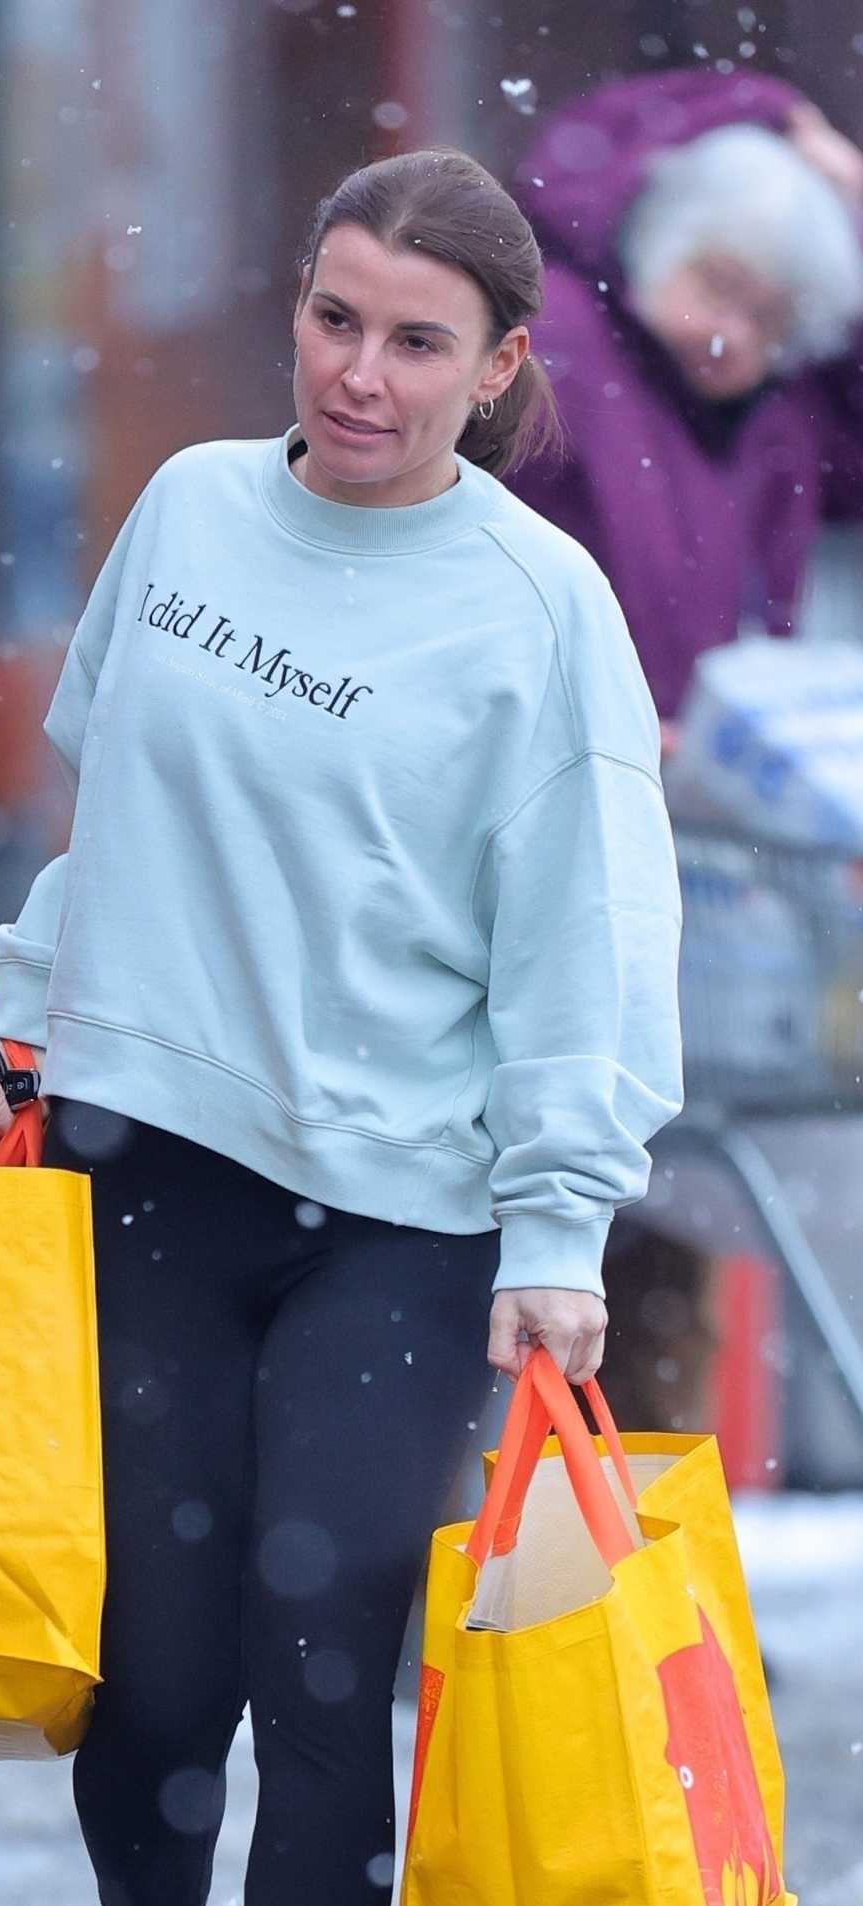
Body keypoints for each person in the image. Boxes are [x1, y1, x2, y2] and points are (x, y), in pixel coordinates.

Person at [0, 150, 683, 1906]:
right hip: (153, 1164)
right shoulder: (180, 515)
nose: (360, 371)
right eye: (336, 316)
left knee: (318, 1634)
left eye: (416, 338)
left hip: (404, 1209)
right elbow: (107, 836)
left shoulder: (534, 609)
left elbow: (586, 946)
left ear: (500, 365)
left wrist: (561, 1219)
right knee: (154, 1680)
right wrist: (13, 1028)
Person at [505, 70, 863, 1432]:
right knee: (580, 1191)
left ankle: (637, 1570)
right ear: (662, 241)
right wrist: (778, 112)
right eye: (720, 284)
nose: (732, 333)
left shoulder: (770, 418)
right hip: (562, 837)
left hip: (680, 865)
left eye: (774, 319)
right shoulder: (565, 360)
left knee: (663, 1213)